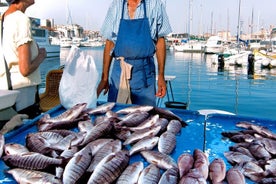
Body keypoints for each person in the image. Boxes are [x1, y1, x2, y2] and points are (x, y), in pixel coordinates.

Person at [97, 0, 172, 106]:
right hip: (119, 72)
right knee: (116, 116)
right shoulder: (116, 5)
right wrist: (104, 78)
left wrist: (161, 76)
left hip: (145, 72)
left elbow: (160, 40)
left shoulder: (155, 4)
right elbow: (109, 42)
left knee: (146, 116)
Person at [0, 0, 46, 112]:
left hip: (6, 89)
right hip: (23, 92)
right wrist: (41, 56)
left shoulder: (3, 19)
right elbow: (25, 69)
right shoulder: (21, 19)